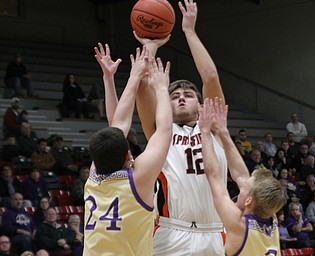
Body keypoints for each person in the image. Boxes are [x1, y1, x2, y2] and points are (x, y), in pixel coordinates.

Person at [133, 1, 228, 254]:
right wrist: (150, 47)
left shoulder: (214, 127)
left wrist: (189, 31)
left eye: (188, 94)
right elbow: (143, 87)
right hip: (171, 230)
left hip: (215, 230)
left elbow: (210, 77)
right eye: (175, 96)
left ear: (201, 104)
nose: (182, 97)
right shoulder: (160, 132)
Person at [83, 45, 172, 255]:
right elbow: (165, 129)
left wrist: (111, 79)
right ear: (129, 155)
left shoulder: (93, 177)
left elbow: (118, 125)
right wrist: (159, 88)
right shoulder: (138, 180)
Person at [199, 97, 286, 255]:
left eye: (244, 187)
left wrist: (204, 132)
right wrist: (223, 133)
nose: (242, 184)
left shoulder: (239, 225)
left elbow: (213, 175)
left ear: (248, 200)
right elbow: (240, 174)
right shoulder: (271, 216)